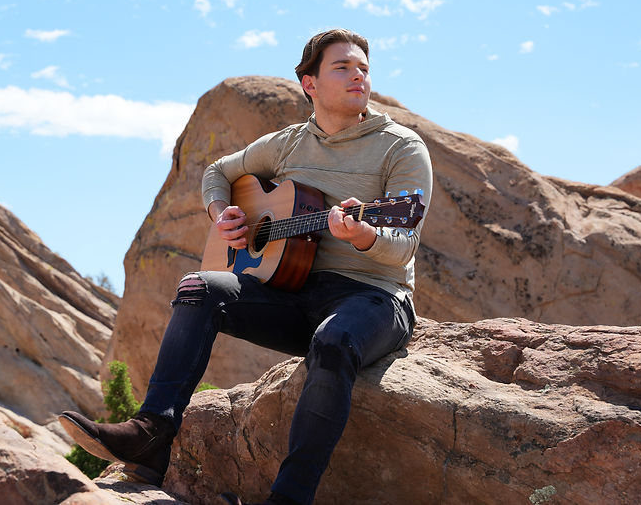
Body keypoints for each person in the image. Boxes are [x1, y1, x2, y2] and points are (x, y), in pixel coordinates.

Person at [60, 29, 433, 505]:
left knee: (334, 341)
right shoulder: (288, 144)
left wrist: (363, 234)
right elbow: (217, 171)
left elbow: (403, 245)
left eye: (363, 68)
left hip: (374, 298)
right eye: (342, 67)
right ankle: (150, 436)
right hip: (294, 295)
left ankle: (290, 497)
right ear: (310, 84)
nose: (357, 75)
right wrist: (223, 215)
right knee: (198, 288)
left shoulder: (400, 147)